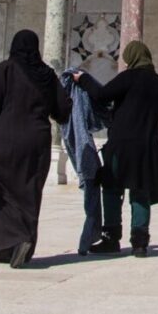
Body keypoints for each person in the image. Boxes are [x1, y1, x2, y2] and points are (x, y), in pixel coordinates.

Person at [0, 29, 72, 268]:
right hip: (37, 141)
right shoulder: (46, 75)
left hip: (6, 140)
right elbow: (62, 111)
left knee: (2, 193)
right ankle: (24, 240)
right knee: (30, 192)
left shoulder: (5, 70)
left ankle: (10, 244)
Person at [75, 40, 158, 257]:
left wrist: (84, 79)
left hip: (122, 146)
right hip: (147, 146)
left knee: (112, 189)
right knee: (140, 191)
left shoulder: (129, 78)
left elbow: (102, 94)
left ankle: (111, 237)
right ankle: (140, 242)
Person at [59, 65, 113, 255]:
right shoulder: (77, 97)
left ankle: (92, 235)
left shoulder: (65, 98)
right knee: (94, 191)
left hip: (80, 147)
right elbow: (105, 105)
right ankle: (91, 236)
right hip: (84, 148)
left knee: (92, 190)